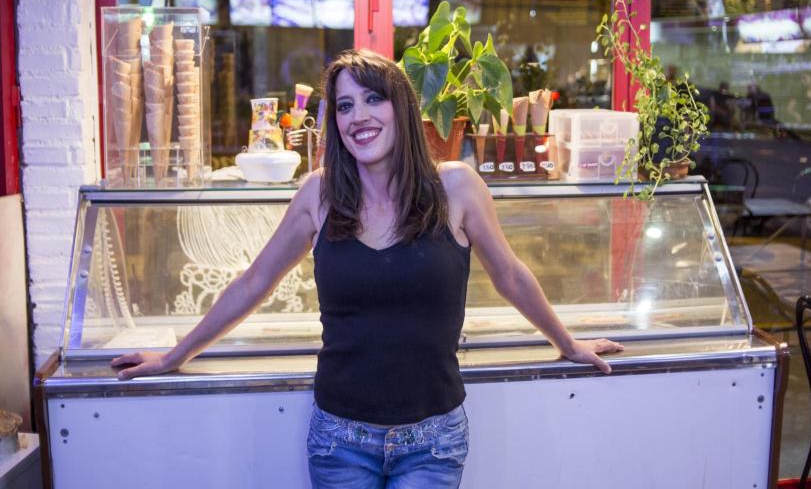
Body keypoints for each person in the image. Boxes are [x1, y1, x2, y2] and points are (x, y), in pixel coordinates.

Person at [110, 49, 624, 488]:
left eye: (374, 99)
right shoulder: (319, 193)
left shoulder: (457, 188)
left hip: (434, 441)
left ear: (402, 106)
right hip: (340, 439)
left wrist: (568, 344)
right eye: (345, 106)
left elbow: (510, 275)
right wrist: (175, 355)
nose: (359, 116)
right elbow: (254, 282)